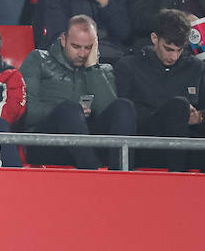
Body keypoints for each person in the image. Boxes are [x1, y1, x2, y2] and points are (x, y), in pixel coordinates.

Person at [21, 15, 136, 168]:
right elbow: (28, 113)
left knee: (124, 106)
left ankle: (122, 176)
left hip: (89, 144)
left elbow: (109, 112)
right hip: (47, 143)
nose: (82, 54)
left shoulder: (103, 71)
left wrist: (92, 69)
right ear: (63, 40)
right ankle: (92, 174)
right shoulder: (38, 60)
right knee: (70, 109)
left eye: (88, 47)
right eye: (76, 46)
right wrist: (72, 112)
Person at [113, 9, 205, 172]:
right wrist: (176, 114)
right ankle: (178, 179)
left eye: (179, 50)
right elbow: (127, 114)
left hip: (189, 144)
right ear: (154, 38)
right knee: (179, 106)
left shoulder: (197, 68)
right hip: (147, 143)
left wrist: (199, 117)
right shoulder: (129, 66)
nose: (174, 56)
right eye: (169, 49)